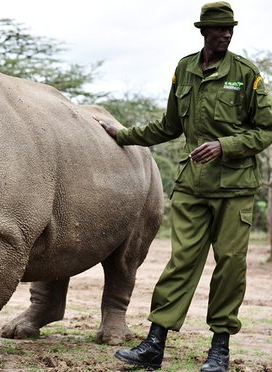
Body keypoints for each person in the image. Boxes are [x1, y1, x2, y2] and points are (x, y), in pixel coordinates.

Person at [93, 2, 272, 371]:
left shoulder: (247, 73)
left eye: (230, 30)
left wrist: (226, 146)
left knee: (230, 266)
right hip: (193, 187)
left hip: (235, 189)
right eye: (219, 29)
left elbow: (266, 128)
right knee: (181, 264)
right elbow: (170, 125)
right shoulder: (184, 69)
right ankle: (155, 344)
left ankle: (219, 350)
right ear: (204, 31)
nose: (226, 35)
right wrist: (124, 135)